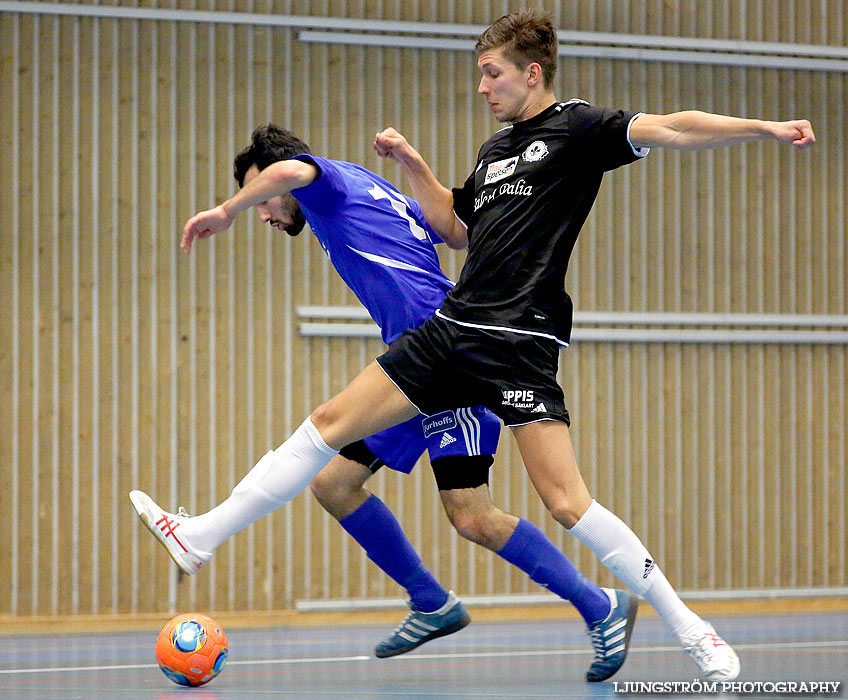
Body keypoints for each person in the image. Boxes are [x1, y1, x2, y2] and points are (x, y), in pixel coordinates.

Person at [131, 8, 814, 682]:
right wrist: (416, 164)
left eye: (492, 75)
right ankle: (202, 536)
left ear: (531, 73)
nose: (483, 88)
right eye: (480, 76)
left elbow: (671, 127)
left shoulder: (578, 128)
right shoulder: (492, 154)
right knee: (326, 434)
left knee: (566, 504)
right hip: (454, 328)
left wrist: (763, 128)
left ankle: (690, 628)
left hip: (521, 341)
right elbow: (455, 230)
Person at [131, 123, 638, 681]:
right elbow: (453, 232)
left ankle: (598, 605)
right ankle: (432, 601)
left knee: (443, 498)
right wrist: (414, 165)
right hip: (416, 358)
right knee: (342, 484)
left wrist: (226, 209)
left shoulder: (322, 184)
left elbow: (293, 170)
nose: (263, 212)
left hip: (449, 359)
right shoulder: (369, 187)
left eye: (261, 198)